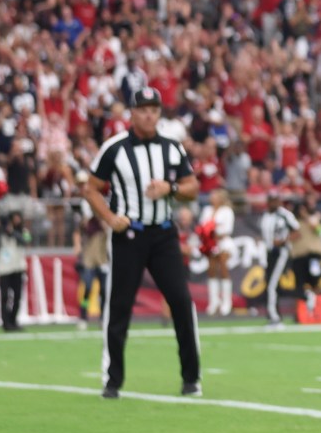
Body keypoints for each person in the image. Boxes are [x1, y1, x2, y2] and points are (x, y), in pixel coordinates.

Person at [83, 87, 202, 399]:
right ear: (132, 113)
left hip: (163, 234)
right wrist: (110, 218)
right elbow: (91, 188)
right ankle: (112, 379)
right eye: (143, 110)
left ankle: (192, 378)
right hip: (129, 235)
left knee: (181, 301)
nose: (149, 115)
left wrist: (170, 188)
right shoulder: (114, 148)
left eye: (154, 110)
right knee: (119, 306)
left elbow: (192, 186)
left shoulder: (172, 148)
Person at [73, 171, 109, 331]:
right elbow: (80, 228)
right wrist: (77, 245)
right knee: (87, 287)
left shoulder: (99, 202)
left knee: (104, 289)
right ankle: (83, 315)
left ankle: (103, 316)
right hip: (89, 251)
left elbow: (106, 225)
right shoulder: (82, 206)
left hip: (101, 251)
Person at [260, 190, 300, 327]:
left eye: (276, 200)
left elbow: (296, 232)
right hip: (269, 252)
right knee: (271, 284)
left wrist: (283, 240)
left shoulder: (285, 214)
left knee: (272, 285)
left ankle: (275, 318)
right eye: (271, 200)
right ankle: (305, 296)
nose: (274, 203)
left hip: (281, 252)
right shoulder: (265, 215)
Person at [199, 188, 236, 317]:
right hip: (210, 244)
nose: (212, 198)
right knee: (211, 271)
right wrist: (208, 235)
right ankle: (214, 302)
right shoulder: (207, 210)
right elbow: (202, 226)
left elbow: (227, 229)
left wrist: (214, 232)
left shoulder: (227, 211)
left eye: (214, 195)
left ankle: (227, 302)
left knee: (223, 270)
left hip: (223, 242)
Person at [290, 196, 321, 315]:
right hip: (298, 256)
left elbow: (319, 230)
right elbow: (290, 237)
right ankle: (301, 312)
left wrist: (306, 216)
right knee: (299, 285)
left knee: (315, 280)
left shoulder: (315, 218)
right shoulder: (293, 222)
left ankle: (316, 309)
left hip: (313, 256)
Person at [0, 210, 31, 331]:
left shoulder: (24, 231)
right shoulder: (1, 232)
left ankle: (13, 319)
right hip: (4, 268)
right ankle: (6, 322)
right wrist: (2, 231)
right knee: (5, 296)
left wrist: (13, 232)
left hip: (18, 267)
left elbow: (26, 241)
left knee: (17, 296)